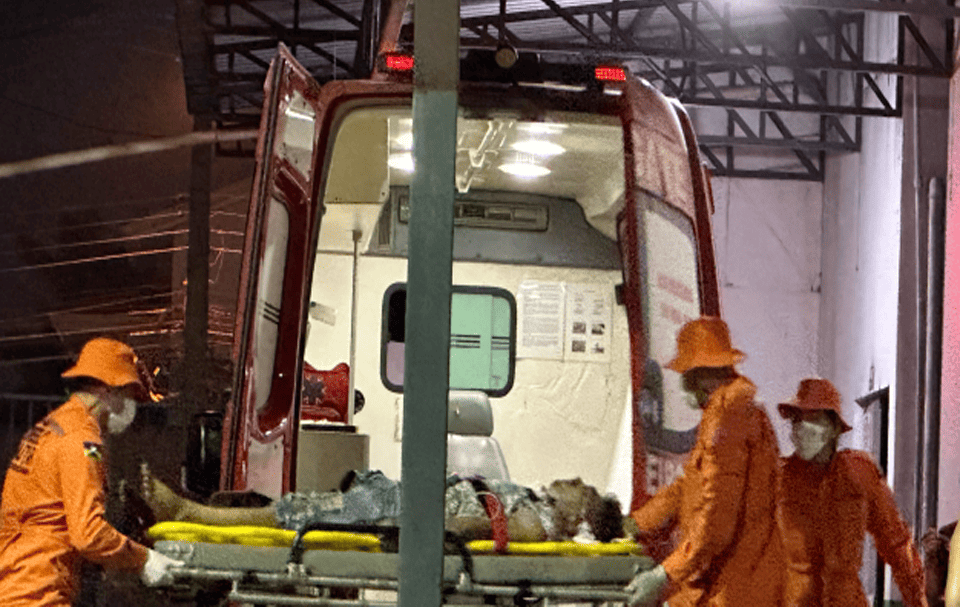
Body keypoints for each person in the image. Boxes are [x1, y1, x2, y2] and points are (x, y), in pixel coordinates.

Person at [0, 338, 183, 606]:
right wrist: (144, 560)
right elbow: (89, 534)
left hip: (18, 579)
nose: (132, 406)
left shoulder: (57, 426)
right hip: (38, 590)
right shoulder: (83, 441)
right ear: (108, 388)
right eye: (130, 395)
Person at [624, 316, 783, 607]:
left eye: (685, 374)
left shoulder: (727, 414)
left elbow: (716, 518)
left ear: (698, 374)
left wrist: (664, 574)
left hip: (734, 587)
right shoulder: (731, 410)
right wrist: (636, 523)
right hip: (730, 579)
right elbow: (689, 486)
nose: (683, 385)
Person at [140, 469, 624, 546]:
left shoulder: (535, 527)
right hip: (403, 497)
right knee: (299, 506)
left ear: (580, 517)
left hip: (401, 511)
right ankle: (190, 510)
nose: (574, 480)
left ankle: (188, 513)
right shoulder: (533, 506)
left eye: (583, 489)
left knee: (296, 513)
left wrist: (406, 524)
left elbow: (467, 527)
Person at [776, 378, 927, 607]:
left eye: (812, 419)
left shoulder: (858, 474)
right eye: (797, 420)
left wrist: (917, 600)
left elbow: (896, 543)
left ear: (834, 427)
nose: (801, 428)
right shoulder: (778, 480)